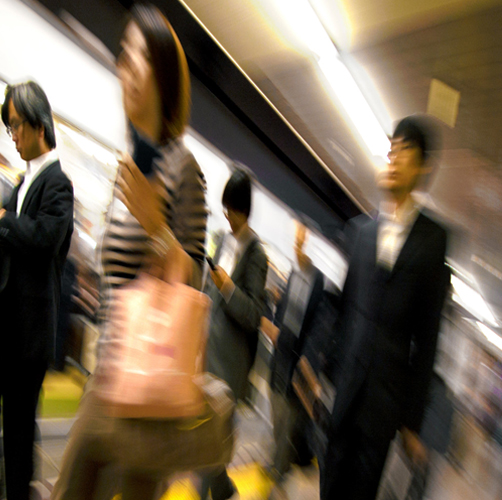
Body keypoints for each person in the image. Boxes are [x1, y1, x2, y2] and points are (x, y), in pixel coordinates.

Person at [51, 4, 208, 499]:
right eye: (124, 54)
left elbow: (194, 285)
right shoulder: (128, 165)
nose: (129, 66)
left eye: (142, 55)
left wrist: (158, 228)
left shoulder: (184, 169)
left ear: (162, 75)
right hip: (107, 379)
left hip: (150, 396)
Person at [320, 116, 450, 500]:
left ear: (425, 167)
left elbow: (427, 338)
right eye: (390, 149)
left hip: (383, 408)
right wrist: (324, 372)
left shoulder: (434, 240)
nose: (392, 158)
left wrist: (412, 421)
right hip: (344, 396)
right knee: (329, 487)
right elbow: (343, 310)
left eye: (404, 150)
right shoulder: (361, 233)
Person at [0, 81, 75, 500]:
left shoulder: (58, 183)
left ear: (38, 124)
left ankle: (14, 490)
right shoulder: (24, 180)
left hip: (29, 332)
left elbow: (44, 237)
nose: (12, 136)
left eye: (16, 126)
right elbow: (0, 225)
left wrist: (5, 221)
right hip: (8, 327)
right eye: (9, 127)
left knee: (21, 424)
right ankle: (10, 484)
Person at [199, 168, 268, 500]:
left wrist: (227, 288)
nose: (227, 216)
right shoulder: (222, 239)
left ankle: (221, 491)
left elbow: (254, 315)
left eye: (233, 210)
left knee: (212, 445)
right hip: (207, 353)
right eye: (224, 209)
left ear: (245, 209)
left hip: (229, 367)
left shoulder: (256, 255)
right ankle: (222, 490)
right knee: (203, 443)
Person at [262, 220, 324, 499]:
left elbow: (304, 324)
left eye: (302, 236)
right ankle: (277, 466)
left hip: (295, 365)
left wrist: (281, 334)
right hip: (279, 359)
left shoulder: (316, 280)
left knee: (287, 424)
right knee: (277, 414)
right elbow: (287, 310)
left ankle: (279, 478)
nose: (297, 240)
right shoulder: (294, 274)